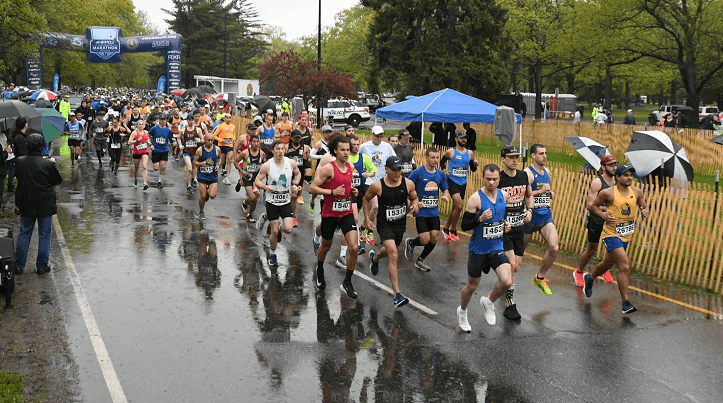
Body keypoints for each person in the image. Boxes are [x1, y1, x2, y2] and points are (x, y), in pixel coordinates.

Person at [585, 165, 650, 313]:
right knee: (624, 265)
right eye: (626, 175)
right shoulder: (608, 193)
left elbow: (644, 206)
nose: (629, 178)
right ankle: (625, 303)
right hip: (611, 234)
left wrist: (645, 210)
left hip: (625, 235)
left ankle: (590, 278)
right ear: (618, 177)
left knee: (607, 264)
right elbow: (593, 206)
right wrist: (603, 216)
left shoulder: (637, 192)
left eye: (630, 175)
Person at [457, 164, 512, 330]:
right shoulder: (476, 199)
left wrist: (505, 225)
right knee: (472, 286)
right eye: (488, 179)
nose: (491, 182)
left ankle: (488, 303)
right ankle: (463, 312)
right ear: (483, 178)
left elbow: (503, 217)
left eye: (495, 179)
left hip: (496, 246)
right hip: (478, 249)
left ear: (499, 179)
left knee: (507, 281)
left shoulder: (504, 195)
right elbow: (464, 226)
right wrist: (479, 219)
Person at [364, 156, 419, 308]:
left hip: (400, 224)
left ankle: (375, 257)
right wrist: (367, 219)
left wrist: (415, 205)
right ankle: (397, 295)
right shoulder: (378, 186)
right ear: (386, 169)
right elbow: (365, 199)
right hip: (384, 225)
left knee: (389, 251)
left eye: (399, 169)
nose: (397, 173)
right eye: (394, 170)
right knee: (393, 254)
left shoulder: (408, 184)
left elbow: (414, 198)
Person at [308, 135, 359, 298]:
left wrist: (352, 191)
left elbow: (345, 186)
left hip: (346, 213)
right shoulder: (328, 168)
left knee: (354, 247)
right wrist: (331, 192)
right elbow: (312, 188)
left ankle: (347, 282)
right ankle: (320, 267)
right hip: (330, 214)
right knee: (326, 246)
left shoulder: (351, 167)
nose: (346, 152)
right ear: (335, 150)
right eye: (342, 150)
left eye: (348, 150)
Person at [13, 133, 63, 275]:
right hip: (44, 204)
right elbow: (57, 180)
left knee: (24, 233)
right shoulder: (47, 164)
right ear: (41, 146)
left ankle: (19, 265)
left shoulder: (20, 161)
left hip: (26, 202)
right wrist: (52, 163)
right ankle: (41, 265)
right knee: (45, 235)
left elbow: (19, 177)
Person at [497, 146, 533, 320]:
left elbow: (529, 195)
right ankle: (510, 305)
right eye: (511, 157)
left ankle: (502, 288)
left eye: (516, 157)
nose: (515, 160)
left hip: (519, 227)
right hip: (505, 229)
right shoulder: (499, 178)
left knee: (516, 267)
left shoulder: (523, 176)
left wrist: (530, 210)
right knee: (511, 264)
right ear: (503, 159)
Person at [254, 140, 303, 266]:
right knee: (274, 232)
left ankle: (270, 222)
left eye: (282, 149)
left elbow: (298, 174)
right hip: (272, 202)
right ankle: (273, 254)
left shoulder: (290, 163)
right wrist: (266, 187)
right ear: (272, 150)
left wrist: (295, 184)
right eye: (278, 149)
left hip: (285, 201)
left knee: (288, 229)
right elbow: (257, 181)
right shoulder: (267, 165)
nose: (280, 151)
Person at [574, 155, 617, 286]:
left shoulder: (616, 181)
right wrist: (607, 208)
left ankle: (605, 269)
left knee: (612, 248)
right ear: (603, 167)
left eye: (615, 164)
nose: (614, 167)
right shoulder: (598, 182)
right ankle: (579, 271)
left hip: (610, 220)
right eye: (610, 165)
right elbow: (589, 205)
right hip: (597, 219)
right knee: (592, 249)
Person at [405, 148, 449, 271]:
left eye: (437, 157)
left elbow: (445, 188)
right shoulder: (417, 173)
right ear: (426, 158)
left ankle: (421, 259)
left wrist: (445, 195)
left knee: (434, 238)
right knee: (425, 239)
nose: (435, 160)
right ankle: (412, 243)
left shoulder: (440, 174)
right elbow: (407, 187)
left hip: (433, 211)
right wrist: (414, 201)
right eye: (433, 157)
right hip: (421, 211)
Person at [523, 144, 559, 295]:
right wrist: (541, 191)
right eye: (541, 154)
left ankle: (540, 276)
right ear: (533, 156)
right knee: (518, 256)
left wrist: (548, 193)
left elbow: (543, 190)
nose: (544, 156)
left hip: (545, 217)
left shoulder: (547, 171)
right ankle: (507, 283)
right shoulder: (527, 173)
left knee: (554, 247)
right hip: (529, 218)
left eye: (545, 153)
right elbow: (524, 195)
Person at [358, 125, 396, 246]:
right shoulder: (364, 146)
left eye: (381, 136)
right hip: (369, 181)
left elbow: (394, 159)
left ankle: (363, 227)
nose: (379, 138)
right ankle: (369, 230)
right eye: (377, 136)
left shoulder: (387, 146)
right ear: (372, 135)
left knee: (373, 209)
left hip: (382, 181)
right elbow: (355, 158)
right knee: (375, 206)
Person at [440, 130, 479, 242]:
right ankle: (453, 229)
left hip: (463, 183)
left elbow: (473, 169)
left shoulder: (470, 153)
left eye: (465, 138)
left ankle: (446, 228)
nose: (464, 140)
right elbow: (442, 162)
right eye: (461, 138)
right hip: (452, 181)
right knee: (460, 206)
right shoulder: (451, 152)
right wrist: (444, 170)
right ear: (456, 139)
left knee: (455, 208)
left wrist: (475, 164)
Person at [236, 135, 265, 223]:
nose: (256, 144)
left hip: (256, 178)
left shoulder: (262, 153)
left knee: (255, 197)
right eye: (254, 142)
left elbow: (265, 165)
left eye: (257, 142)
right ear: (250, 143)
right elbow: (235, 161)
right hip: (247, 177)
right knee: (252, 197)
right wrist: (241, 171)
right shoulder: (245, 153)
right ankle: (245, 201)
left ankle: (249, 215)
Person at [285, 130, 311, 225]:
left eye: (299, 138)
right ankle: (293, 217)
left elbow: (310, 160)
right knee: (293, 195)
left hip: (300, 174)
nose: (297, 139)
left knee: (295, 196)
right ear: (291, 138)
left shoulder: (305, 148)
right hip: (289, 175)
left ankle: (290, 209)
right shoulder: (287, 148)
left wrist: (306, 158)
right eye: (295, 138)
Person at [193, 133, 221, 220]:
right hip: (202, 176)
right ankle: (201, 212)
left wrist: (218, 165)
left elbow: (220, 158)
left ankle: (208, 193)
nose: (210, 142)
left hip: (213, 176)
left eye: (212, 140)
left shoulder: (217, 149)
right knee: (202, 196)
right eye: (208, 140)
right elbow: (194, 162)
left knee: (212, 196)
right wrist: (201, 164)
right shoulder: (200, 150)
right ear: (205, 140)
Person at [181, 112, 204, 193]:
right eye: (189, 120)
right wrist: (180, 145)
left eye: (192, 120)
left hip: (195, 152)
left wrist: (200, 140)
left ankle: (195, 180)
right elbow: (179, 138)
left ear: (194, 121)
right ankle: (189, 185)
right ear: (187, 121)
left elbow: (203, 139)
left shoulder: (198, 130)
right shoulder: (184, 129)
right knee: (190, 168)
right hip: (186, 151)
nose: (191, 122)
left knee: (195, 167)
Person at [149, 114, 174, 189]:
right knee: (156, 168)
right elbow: (149, 135)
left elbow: (170, 139)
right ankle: (153, 159)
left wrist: (174, 141)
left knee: (163, 166)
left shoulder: (168, 130)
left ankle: (159, 181)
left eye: (164, 119)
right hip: (156, 150)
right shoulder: (154, 129)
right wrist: (150, 144)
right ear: (159, 120)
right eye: (161, 119)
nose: (163, 121)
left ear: (166, 120)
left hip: (164, 150)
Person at [128, 120, 152, 190]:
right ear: (137, 125)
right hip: (136, 152)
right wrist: (137, 140)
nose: (141, 125)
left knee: (144, 166)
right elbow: (129, 142)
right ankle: (135, 179)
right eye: (139, 124)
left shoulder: (146, 132)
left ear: (144, 125)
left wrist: (150, 144)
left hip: (145, 151)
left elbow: (147, 140)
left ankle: (145, 182)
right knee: (136, 168)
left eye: (142, 124)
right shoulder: (134, 133)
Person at [8, 117, 30, 192]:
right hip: (21, 163)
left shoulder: (15, 135)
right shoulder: (20, 137)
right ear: (25, 125)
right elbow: (22, 152)